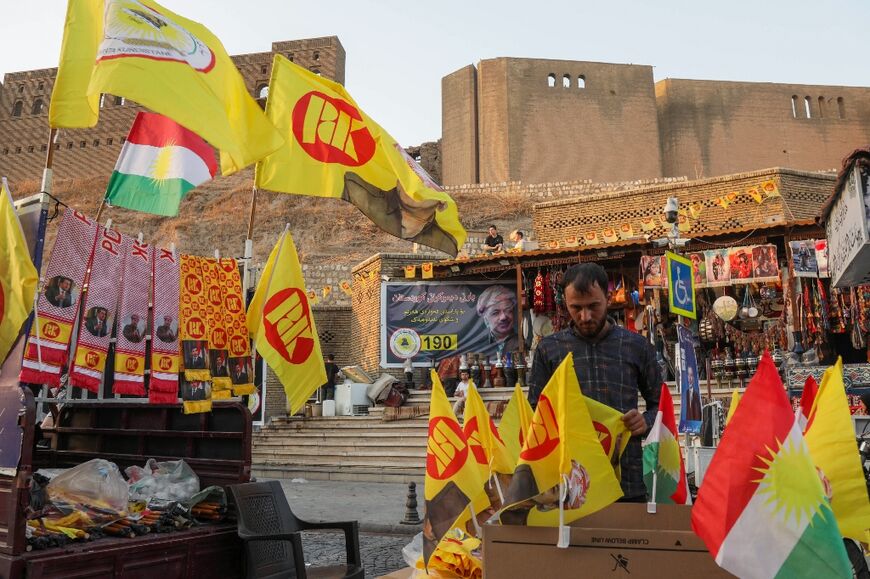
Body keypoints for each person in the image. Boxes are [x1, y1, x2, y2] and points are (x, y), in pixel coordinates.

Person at [528, 263, 660, 502]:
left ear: (608, 299)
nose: (585, 316)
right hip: (571, 483)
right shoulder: (549, 350)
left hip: (626, 479)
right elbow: (534, 413)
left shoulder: (636, 346)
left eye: (593, 306)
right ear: (565, 304)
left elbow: (660, 406)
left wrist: (645, 421)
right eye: (575, 308)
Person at [477, 285, 519, 353]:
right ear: (486, 320)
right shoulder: (477, 345)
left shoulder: (523, 343)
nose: (503, 317)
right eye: (495, 313)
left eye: (508, 310)